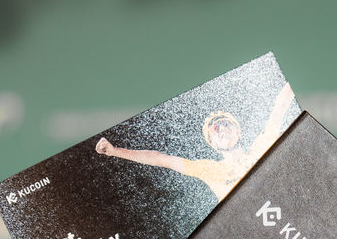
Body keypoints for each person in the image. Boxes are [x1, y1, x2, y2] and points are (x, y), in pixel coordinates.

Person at [94, 83, 296, 200]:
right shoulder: (210, 169)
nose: (221, 130)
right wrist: (115, 151)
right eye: (215, 130)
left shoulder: (262, 146)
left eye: (225, 124)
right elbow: (160, 159)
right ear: (212, 143)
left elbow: (281, 105)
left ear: (238, 131)